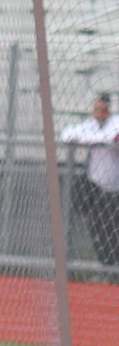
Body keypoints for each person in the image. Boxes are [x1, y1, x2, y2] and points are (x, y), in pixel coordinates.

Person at [60, 92, 119, 267]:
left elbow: (112, 138)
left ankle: (113, 269)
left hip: (115, 188)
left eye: (104, 110)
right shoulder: (91, 125)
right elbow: (67, 135)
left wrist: (92, 141)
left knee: (113, 230)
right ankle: (105, 266)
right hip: (97, 187)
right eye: (97, 110)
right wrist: (94, 140)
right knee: (98, 228)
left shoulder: (115, 122)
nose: (100, 114)